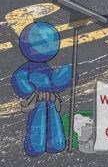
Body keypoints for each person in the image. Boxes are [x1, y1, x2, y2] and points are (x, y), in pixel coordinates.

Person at [12, 22, 73, 156]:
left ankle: (56, 144)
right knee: (38, 120)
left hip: (49, 99)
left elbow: (54, 80)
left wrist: (67, 74)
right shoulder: (27, 68)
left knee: (53, 120)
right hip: (38, 101)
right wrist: (30, 91)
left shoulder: (46, 69)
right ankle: (35, 146)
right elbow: (20, 78)